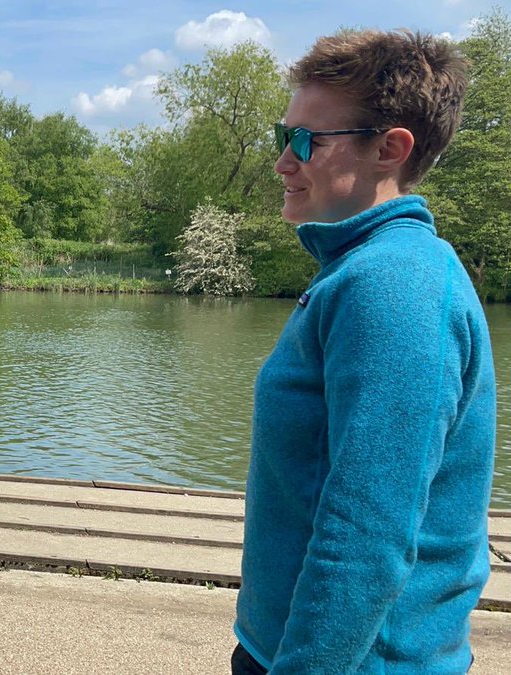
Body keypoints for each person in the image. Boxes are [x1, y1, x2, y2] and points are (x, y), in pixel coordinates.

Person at [232, 31, 493, 673]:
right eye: (280, 136)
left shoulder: (395, 284)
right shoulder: (362, 268)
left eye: (304, 141)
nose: (281, 162)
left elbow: (367, 534)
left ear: (390, 148)